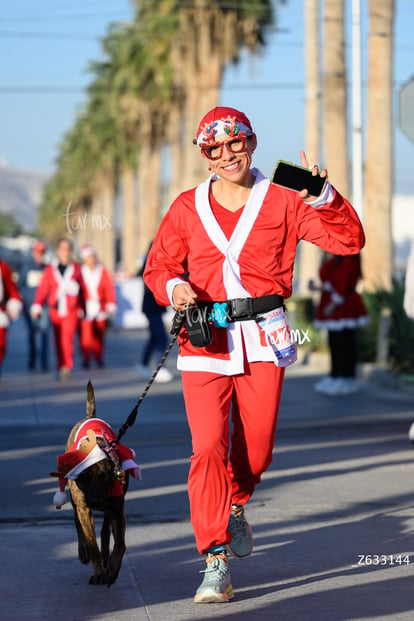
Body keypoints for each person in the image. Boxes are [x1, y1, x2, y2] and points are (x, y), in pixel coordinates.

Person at [144, 106, 365, 603]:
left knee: (257, 449)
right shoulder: (186, 207)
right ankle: (214, 559)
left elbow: (349, 241)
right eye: (214, 148)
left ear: (252, 141)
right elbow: (158, 267)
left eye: (235, 142)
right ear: (204, 155)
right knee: (206, 449)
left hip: (265, 336)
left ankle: (236, 503)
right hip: (204, 343)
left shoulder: (285, 199)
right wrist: (177, 288)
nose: (227, 154)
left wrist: (324, 196)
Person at [309, 254, 369, 396]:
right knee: (335, 342)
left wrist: (333, 304)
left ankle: (345, 377)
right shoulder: (336, 259)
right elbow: (333, 282)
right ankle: (335, 375)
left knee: (344, 343)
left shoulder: (349, 259)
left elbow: (343, 284)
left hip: (344, 307)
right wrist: (317, 288)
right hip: (336, 306)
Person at [31, 238, 85, 381]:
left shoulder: (76, 269)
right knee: (57, 340)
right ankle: (60, 364)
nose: (65, 252)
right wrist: (37, 305)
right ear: (58, 251)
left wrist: (82, 307)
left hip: (71, 310)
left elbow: (83, 290)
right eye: (62, 249)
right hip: (55, 310)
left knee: (67, 339)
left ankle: (66, 366)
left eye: (68, 249)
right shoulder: (50, 269)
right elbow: (43, 289)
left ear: (71, 251)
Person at [135, 245, 173, 383]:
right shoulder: (152, 261)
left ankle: (143, 364)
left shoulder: (152, 260)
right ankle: (159, 367)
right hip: (151, 306)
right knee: (161, 338)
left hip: (154, 306)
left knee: (154, 337)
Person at [79, 245, 117, 369]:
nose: (91, 260)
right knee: (86, 336)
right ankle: (86, 358)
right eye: (88, 258)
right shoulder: (80, 271)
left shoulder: (102, 271)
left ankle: (99, 358)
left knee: (99, 336)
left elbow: (108, 288)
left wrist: (110, 304)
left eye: (92, 257)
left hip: (100, 308)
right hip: (86, 308)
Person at [19, 240, 50, 371]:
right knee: (32, 333)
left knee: (44, 333)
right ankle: (32, 359)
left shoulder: (47, 268)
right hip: (30, 306)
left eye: (42, 253)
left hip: (44, 306)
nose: (39, 255)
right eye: (37, 253)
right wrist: (27, 300)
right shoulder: (26, 268)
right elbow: (20, 286)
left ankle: (44, 361)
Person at [0, 258, 22, 376]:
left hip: (1, 313)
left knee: (1, 344)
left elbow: (11, 287)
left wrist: (14, 304)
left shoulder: (3, 266)